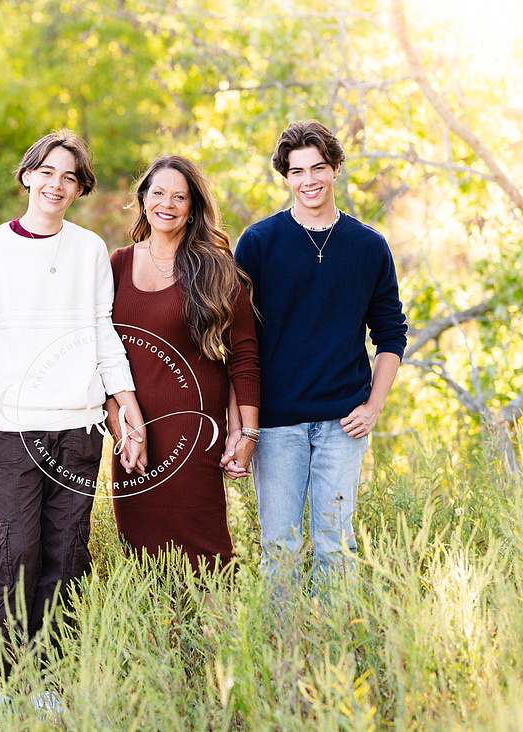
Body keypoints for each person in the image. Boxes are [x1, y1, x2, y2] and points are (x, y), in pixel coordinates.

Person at [0, 130, 147, 689]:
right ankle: (0, 680)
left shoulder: (88, 249)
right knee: (17, 548)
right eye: (47, 172)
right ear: (27, 176)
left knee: (66, 552)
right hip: (15, 431)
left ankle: (48, 682)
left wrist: (124, 399)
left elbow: (102, 329)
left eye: (69, 177)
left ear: (79, 187)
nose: (56, 184)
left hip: (81, 429)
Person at [234, 119, 407, 594]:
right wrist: (241, 423)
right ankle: (282, 657)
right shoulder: (258, 243)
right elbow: (238, 341)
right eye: (296, 171)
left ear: (335, 170)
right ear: (285, 177)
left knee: (335, 546)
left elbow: (391, 334)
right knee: (280, 549)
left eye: (317, 168)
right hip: (276, 424)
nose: (308, 180)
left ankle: (334, 657)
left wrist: (373, 406)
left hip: (342, 423)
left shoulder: (369, 246)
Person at [105, 155, 259, 574]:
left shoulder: (217, 268)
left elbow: (243, 358)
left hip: (195, 438)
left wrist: (246, 433)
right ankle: (156, 641)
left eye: (179, 196)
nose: (167, 204)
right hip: (132, 438)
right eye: (158, 193)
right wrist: (119, 426)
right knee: (141, 558)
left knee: (207, 558)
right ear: (143, 199)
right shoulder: (117, 264)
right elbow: (102, 353)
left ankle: (218, 640)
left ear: (193, 208)